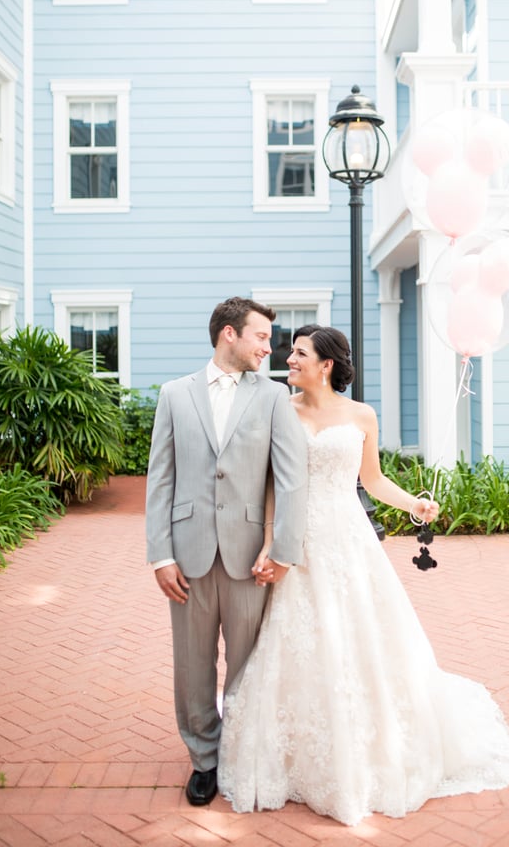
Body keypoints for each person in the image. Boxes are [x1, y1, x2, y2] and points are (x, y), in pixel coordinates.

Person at [218, 324, 509, 826]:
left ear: (325, 365)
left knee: (360, 637)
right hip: (298, 543)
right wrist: (272, 541)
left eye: (299, 353)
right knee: (297, 640)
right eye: (289, 352)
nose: (288, 359)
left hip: (347, 540)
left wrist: (414, 504)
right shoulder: (280, 411)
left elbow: (373, 480)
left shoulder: (361, 415)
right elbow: (273, 485)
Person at [145, 297, 308, 808]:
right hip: (186, 557)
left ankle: (240, 752)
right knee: (192, 667)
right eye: (261, 337)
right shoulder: (174, 395)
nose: (270, 347)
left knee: (247, 664)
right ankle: (204, 759)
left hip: (248, 559)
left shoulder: (274, 397)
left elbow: (291, 479)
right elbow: (160, 479)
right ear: (228, 335)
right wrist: (160, 555)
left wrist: (283, 548)